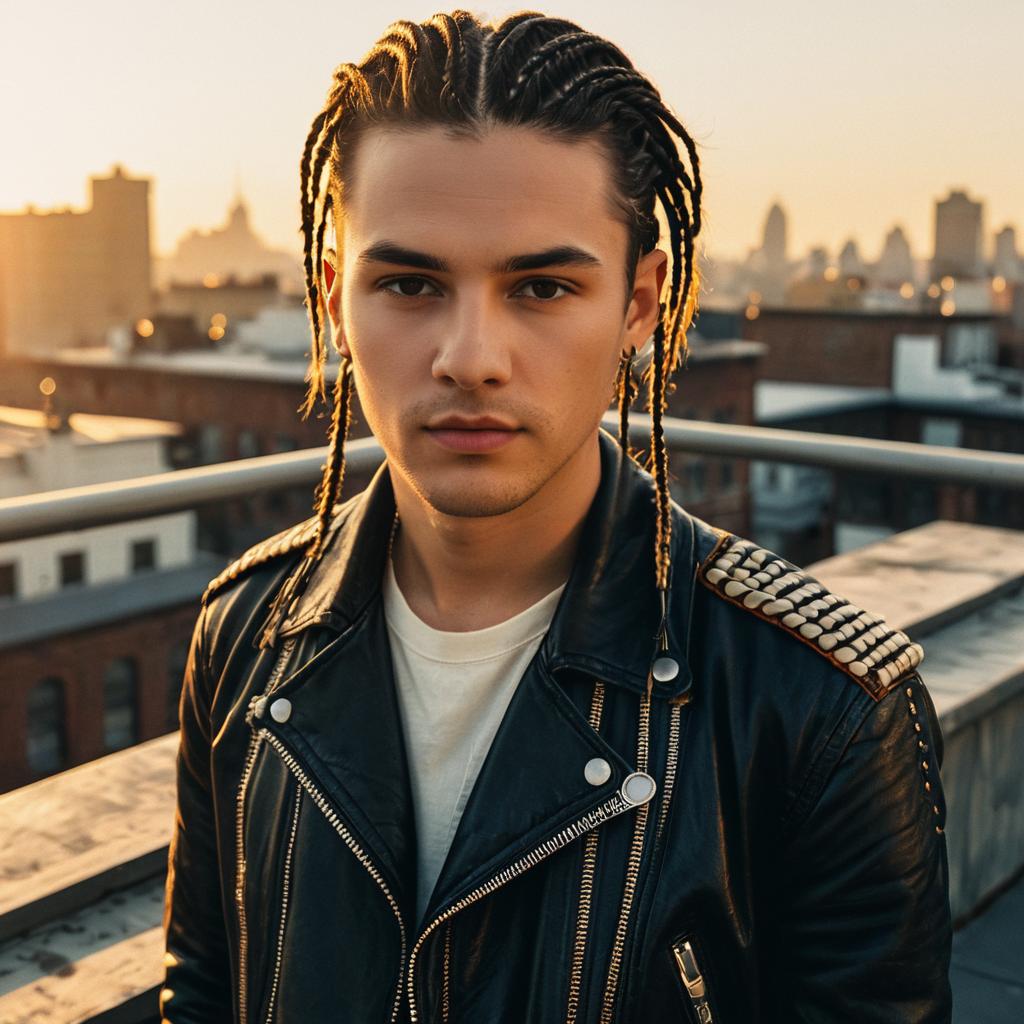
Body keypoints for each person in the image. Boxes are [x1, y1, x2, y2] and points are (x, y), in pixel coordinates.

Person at [160, 9, 952, 1022]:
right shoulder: (243, 633)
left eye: (540, 286)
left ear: (638, 304)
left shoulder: (818, 711)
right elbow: (202, 991)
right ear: (332, 296)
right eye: (408, 282)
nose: (470, 355)